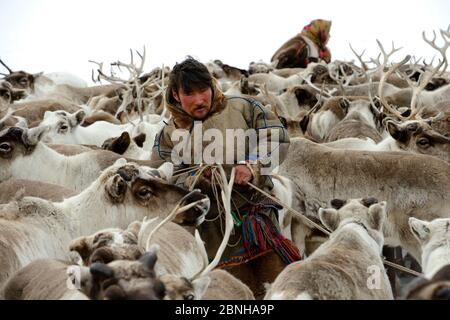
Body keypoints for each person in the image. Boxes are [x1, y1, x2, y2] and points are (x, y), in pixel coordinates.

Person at [151, 57, 299, 297]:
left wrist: (253, 165)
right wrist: (196, 179)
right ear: (176, 95)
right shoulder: (168, 136)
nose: (199, 100)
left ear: (211, 86)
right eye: (190, 93)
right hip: (209, 232)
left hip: (254, 219)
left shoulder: (244, 107)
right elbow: (163, 180)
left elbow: (276, 137)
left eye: (203, 90)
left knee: (278, 288)